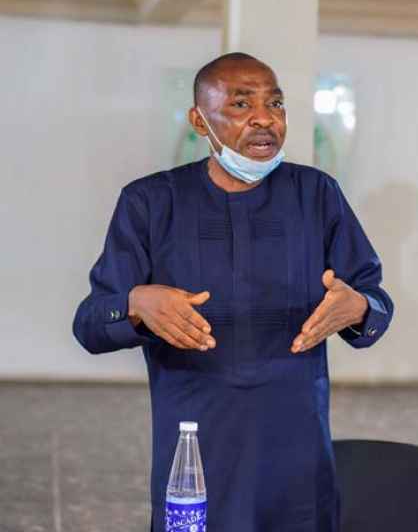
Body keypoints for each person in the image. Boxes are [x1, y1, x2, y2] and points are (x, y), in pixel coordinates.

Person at [73, 52, 393, 532]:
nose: (265, 118)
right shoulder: (150, 202)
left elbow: (373, 300)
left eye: (275, 104)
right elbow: (91, 324)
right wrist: (136, 303)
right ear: (199, 121)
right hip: (196, 449)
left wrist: (359, 306)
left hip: (297, 453)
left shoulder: (317, 195)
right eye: (241, 104)